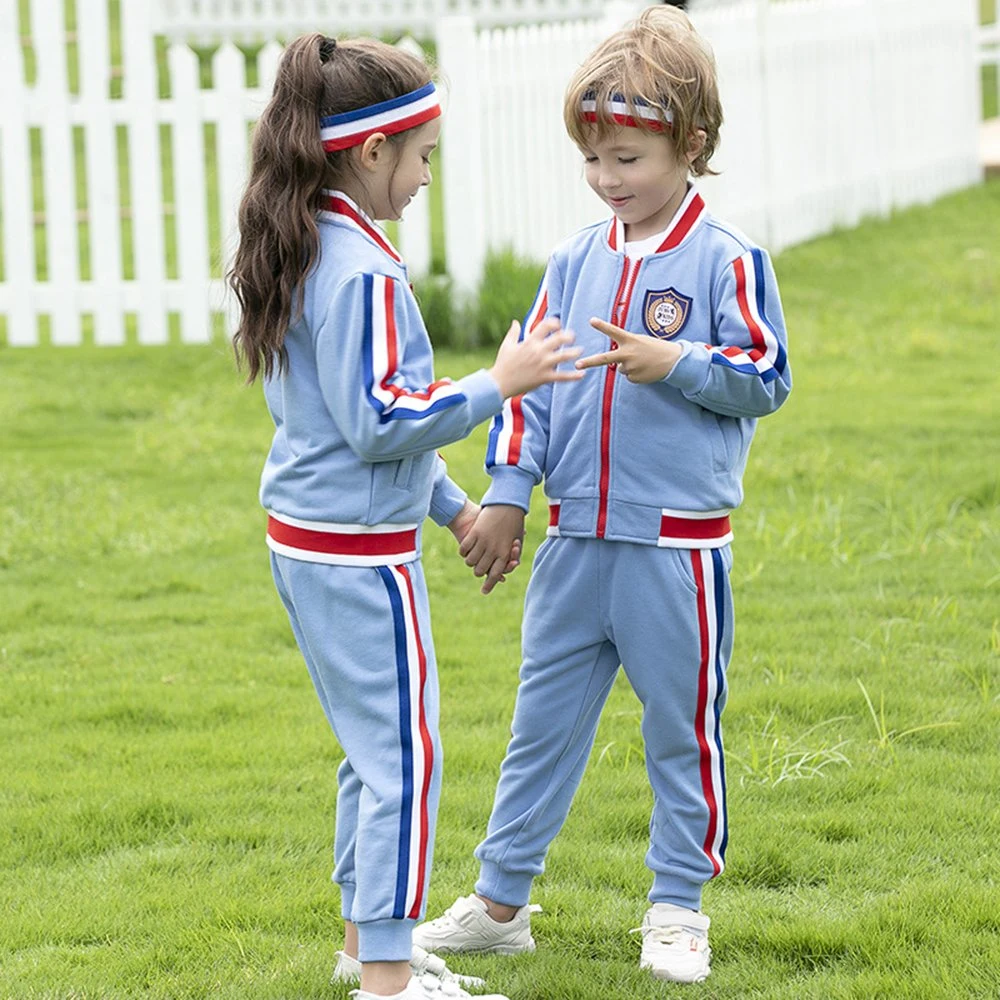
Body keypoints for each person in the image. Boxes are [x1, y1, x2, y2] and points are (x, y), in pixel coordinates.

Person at [413, 5, 791, 985]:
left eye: (625, 158)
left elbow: (765, 376)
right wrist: (504, 491)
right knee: (539, 728)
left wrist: (680, 363)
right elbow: (525, 385)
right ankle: (500, 902)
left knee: (680, 728)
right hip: (573, 543)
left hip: (675, 549)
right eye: (593, 159)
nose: (607, 178)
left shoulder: (725, 260)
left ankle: (676, 905)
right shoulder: (572, 264)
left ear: (690, 144)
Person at [229, 33, 581, 1000]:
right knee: (406, 763)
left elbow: (346, 427)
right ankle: (387, 978)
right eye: (422, 154)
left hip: (315, 543)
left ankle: (365, 942)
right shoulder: (365, 273)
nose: (428, 174)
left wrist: (458, 507)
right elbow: (384, 422)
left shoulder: (315, 243)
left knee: (374, 751)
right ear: (371, 150)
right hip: (355, 559)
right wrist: (496, 383)